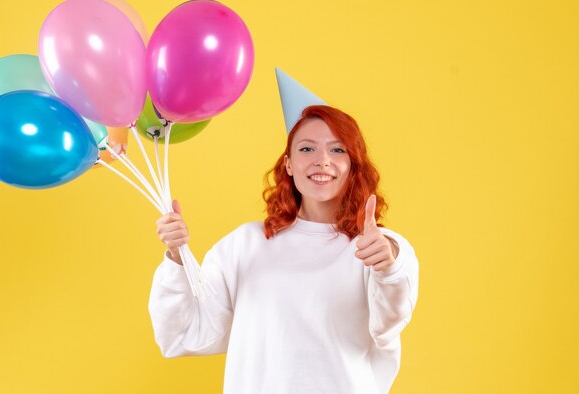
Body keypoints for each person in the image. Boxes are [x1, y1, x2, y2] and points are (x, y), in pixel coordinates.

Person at [148, 103, 419, 394]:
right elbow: (183, 334)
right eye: (307, 149)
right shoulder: (246, 244)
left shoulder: (375, 247)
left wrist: (389, 266)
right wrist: (177, 257)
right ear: (288, 163)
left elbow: (388, 322)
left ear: (354, 164)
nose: (322, 161)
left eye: (338, 150)